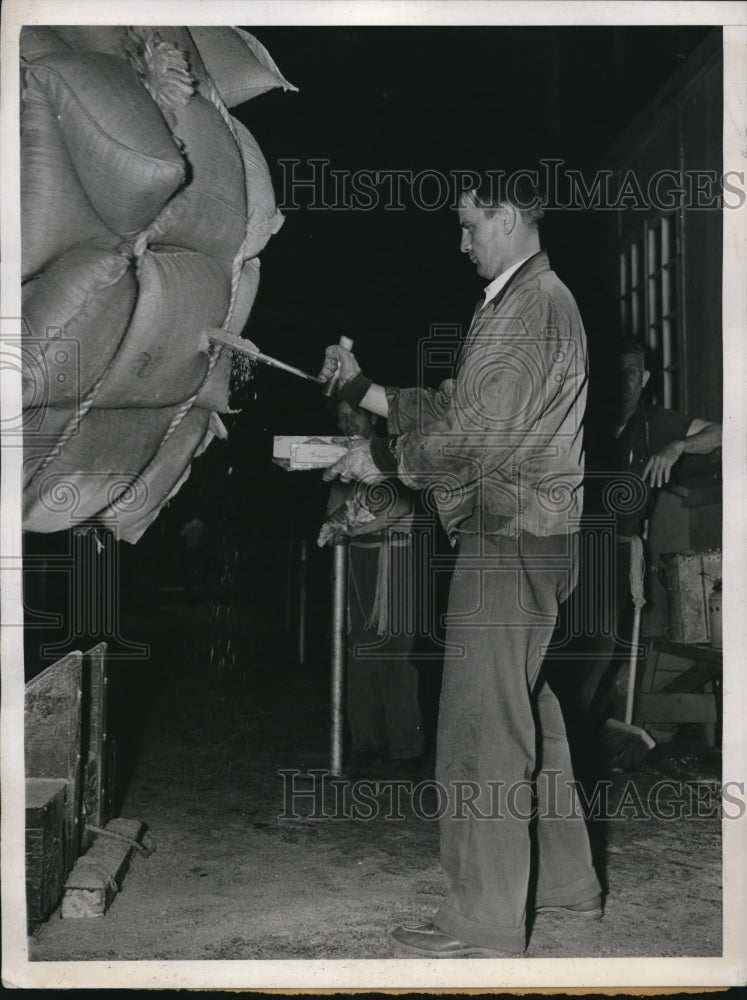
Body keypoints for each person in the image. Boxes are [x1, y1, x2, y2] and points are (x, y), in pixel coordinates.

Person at [319, 173, 602, 957]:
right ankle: (566, 886)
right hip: (532, 535)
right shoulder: (525, 305)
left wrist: (379, 460)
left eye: (468, 225)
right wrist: (365, 391)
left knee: (483, 725)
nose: (461, 242)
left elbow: (473, 440)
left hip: (506, 534)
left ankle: (484, 917)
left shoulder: (529, 309)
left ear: (506, 216)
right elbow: (459, 409)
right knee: (526, 712)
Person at [555, 340, 722, 724]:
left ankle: (571, 738)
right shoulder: (579, 415)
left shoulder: (655, 424)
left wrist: (678, 446)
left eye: (629, 373)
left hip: (611, 552)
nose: (619, 382)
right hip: (559, 543)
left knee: (597, 650)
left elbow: (724, 431)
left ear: (643, 378)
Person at [318, 399, 424, 776]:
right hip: (356, 563)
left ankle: (406, 746)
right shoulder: (340, 459)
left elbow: (396, 506)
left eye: (355, 414)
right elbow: (332, 514)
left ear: (373, 416)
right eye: (341, 417)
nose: (348, 422)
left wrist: (349, 521)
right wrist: (349, 520)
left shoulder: (391, 451)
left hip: (396, 562)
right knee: (358, 651)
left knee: (397, 651)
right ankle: (367, 742)